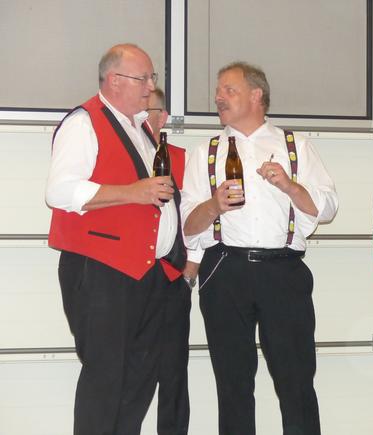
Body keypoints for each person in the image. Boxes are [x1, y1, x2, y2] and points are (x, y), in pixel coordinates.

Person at [45, 43, 196, 435]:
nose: (151, 87)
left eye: (152, 78)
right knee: (107, 379)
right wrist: (133, 192)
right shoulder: (84, 122)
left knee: (138, 380)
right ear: (114, 81)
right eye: (143, 78)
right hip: (101, 272)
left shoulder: (141, 128)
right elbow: (59, 191)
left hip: (147, 274)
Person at [181, 61, 338, 435]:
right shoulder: (204, 152)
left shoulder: (295, 146)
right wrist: (214, 205)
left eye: (229, 89)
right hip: (225, 269)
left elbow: (329, 207)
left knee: (296, 380)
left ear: (256, 95)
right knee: (232, 383)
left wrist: (290, 186)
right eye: (218, 90)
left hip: (282, 271)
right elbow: (188, 226)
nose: (219, 97)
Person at [147, 87, 201, 435]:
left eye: (147, 109)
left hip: (170, 278)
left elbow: (198, 217)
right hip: (125, 279)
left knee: (173, 375)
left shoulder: (183, 159)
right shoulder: (122, 155)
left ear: (163, 117)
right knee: (124, 371)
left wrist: (189, 271)